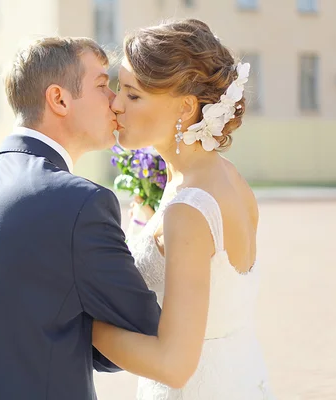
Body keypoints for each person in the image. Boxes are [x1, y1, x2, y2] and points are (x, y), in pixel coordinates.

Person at [0, 37, 161, 400]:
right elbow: (142, 329)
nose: (115, 100)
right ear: (59, 99)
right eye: (103, 85)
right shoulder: (81, 204)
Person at [92, 19, 276, 399]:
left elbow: (173, 366)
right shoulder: (227, 177)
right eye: (116, 89)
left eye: (133, 95)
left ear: (187, 107)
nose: (115, 104)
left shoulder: (189, 210)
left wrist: (81, 321)